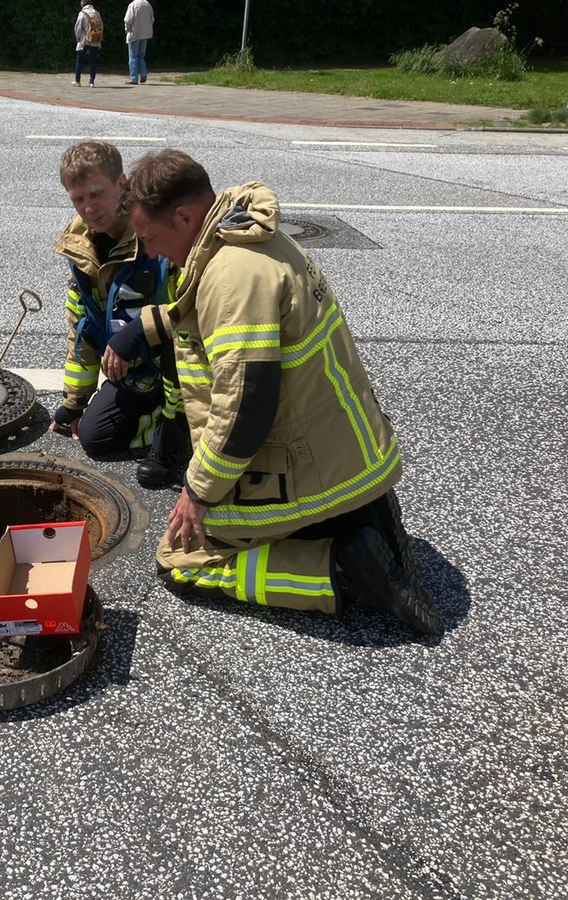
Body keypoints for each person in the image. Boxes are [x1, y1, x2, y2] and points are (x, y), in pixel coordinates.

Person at [113, 149, 440, 635]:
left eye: (152, 238)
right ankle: (355, 516)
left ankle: (337, 570)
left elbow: (246, 407)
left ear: (184, 216)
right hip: (350, 448)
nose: (154, 253)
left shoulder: (232, 278)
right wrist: (147, 324)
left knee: (180, 562)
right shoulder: (247, 237)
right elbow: (208, 313)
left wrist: (199, 493)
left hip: (308, 464)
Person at [50, 140, 190, 489]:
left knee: (179, 355)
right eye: (78, 199)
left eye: (97, 194)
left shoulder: (155, 233)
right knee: (95, 439)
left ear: (122, 183)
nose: (89, 208)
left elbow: (195, 310)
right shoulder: (80, 247)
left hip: (178, 361)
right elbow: (82, 329)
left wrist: (140, 331)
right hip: (133, 372)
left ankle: (181, 433)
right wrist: (74, 404)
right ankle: (158, 419)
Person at [72, 0, 103, 87]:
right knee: (93, 61)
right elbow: (101, 26)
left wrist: (78, 38)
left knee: (80, 60)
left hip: (84, 40)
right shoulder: (97, 13)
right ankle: (91, 81)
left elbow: (78, 28)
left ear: (83, 4)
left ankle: (77, 81)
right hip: (95, 40)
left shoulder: (82, 13)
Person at [123, 0, 153, 85]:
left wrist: (127, 30)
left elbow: (128, 20)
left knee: (133, 56)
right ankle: (143, 73)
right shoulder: (147, 4)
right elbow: (152, 18)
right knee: (141, 55)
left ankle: (134, 78)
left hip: (135, 33)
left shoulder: (133, 5)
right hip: (146, 33)